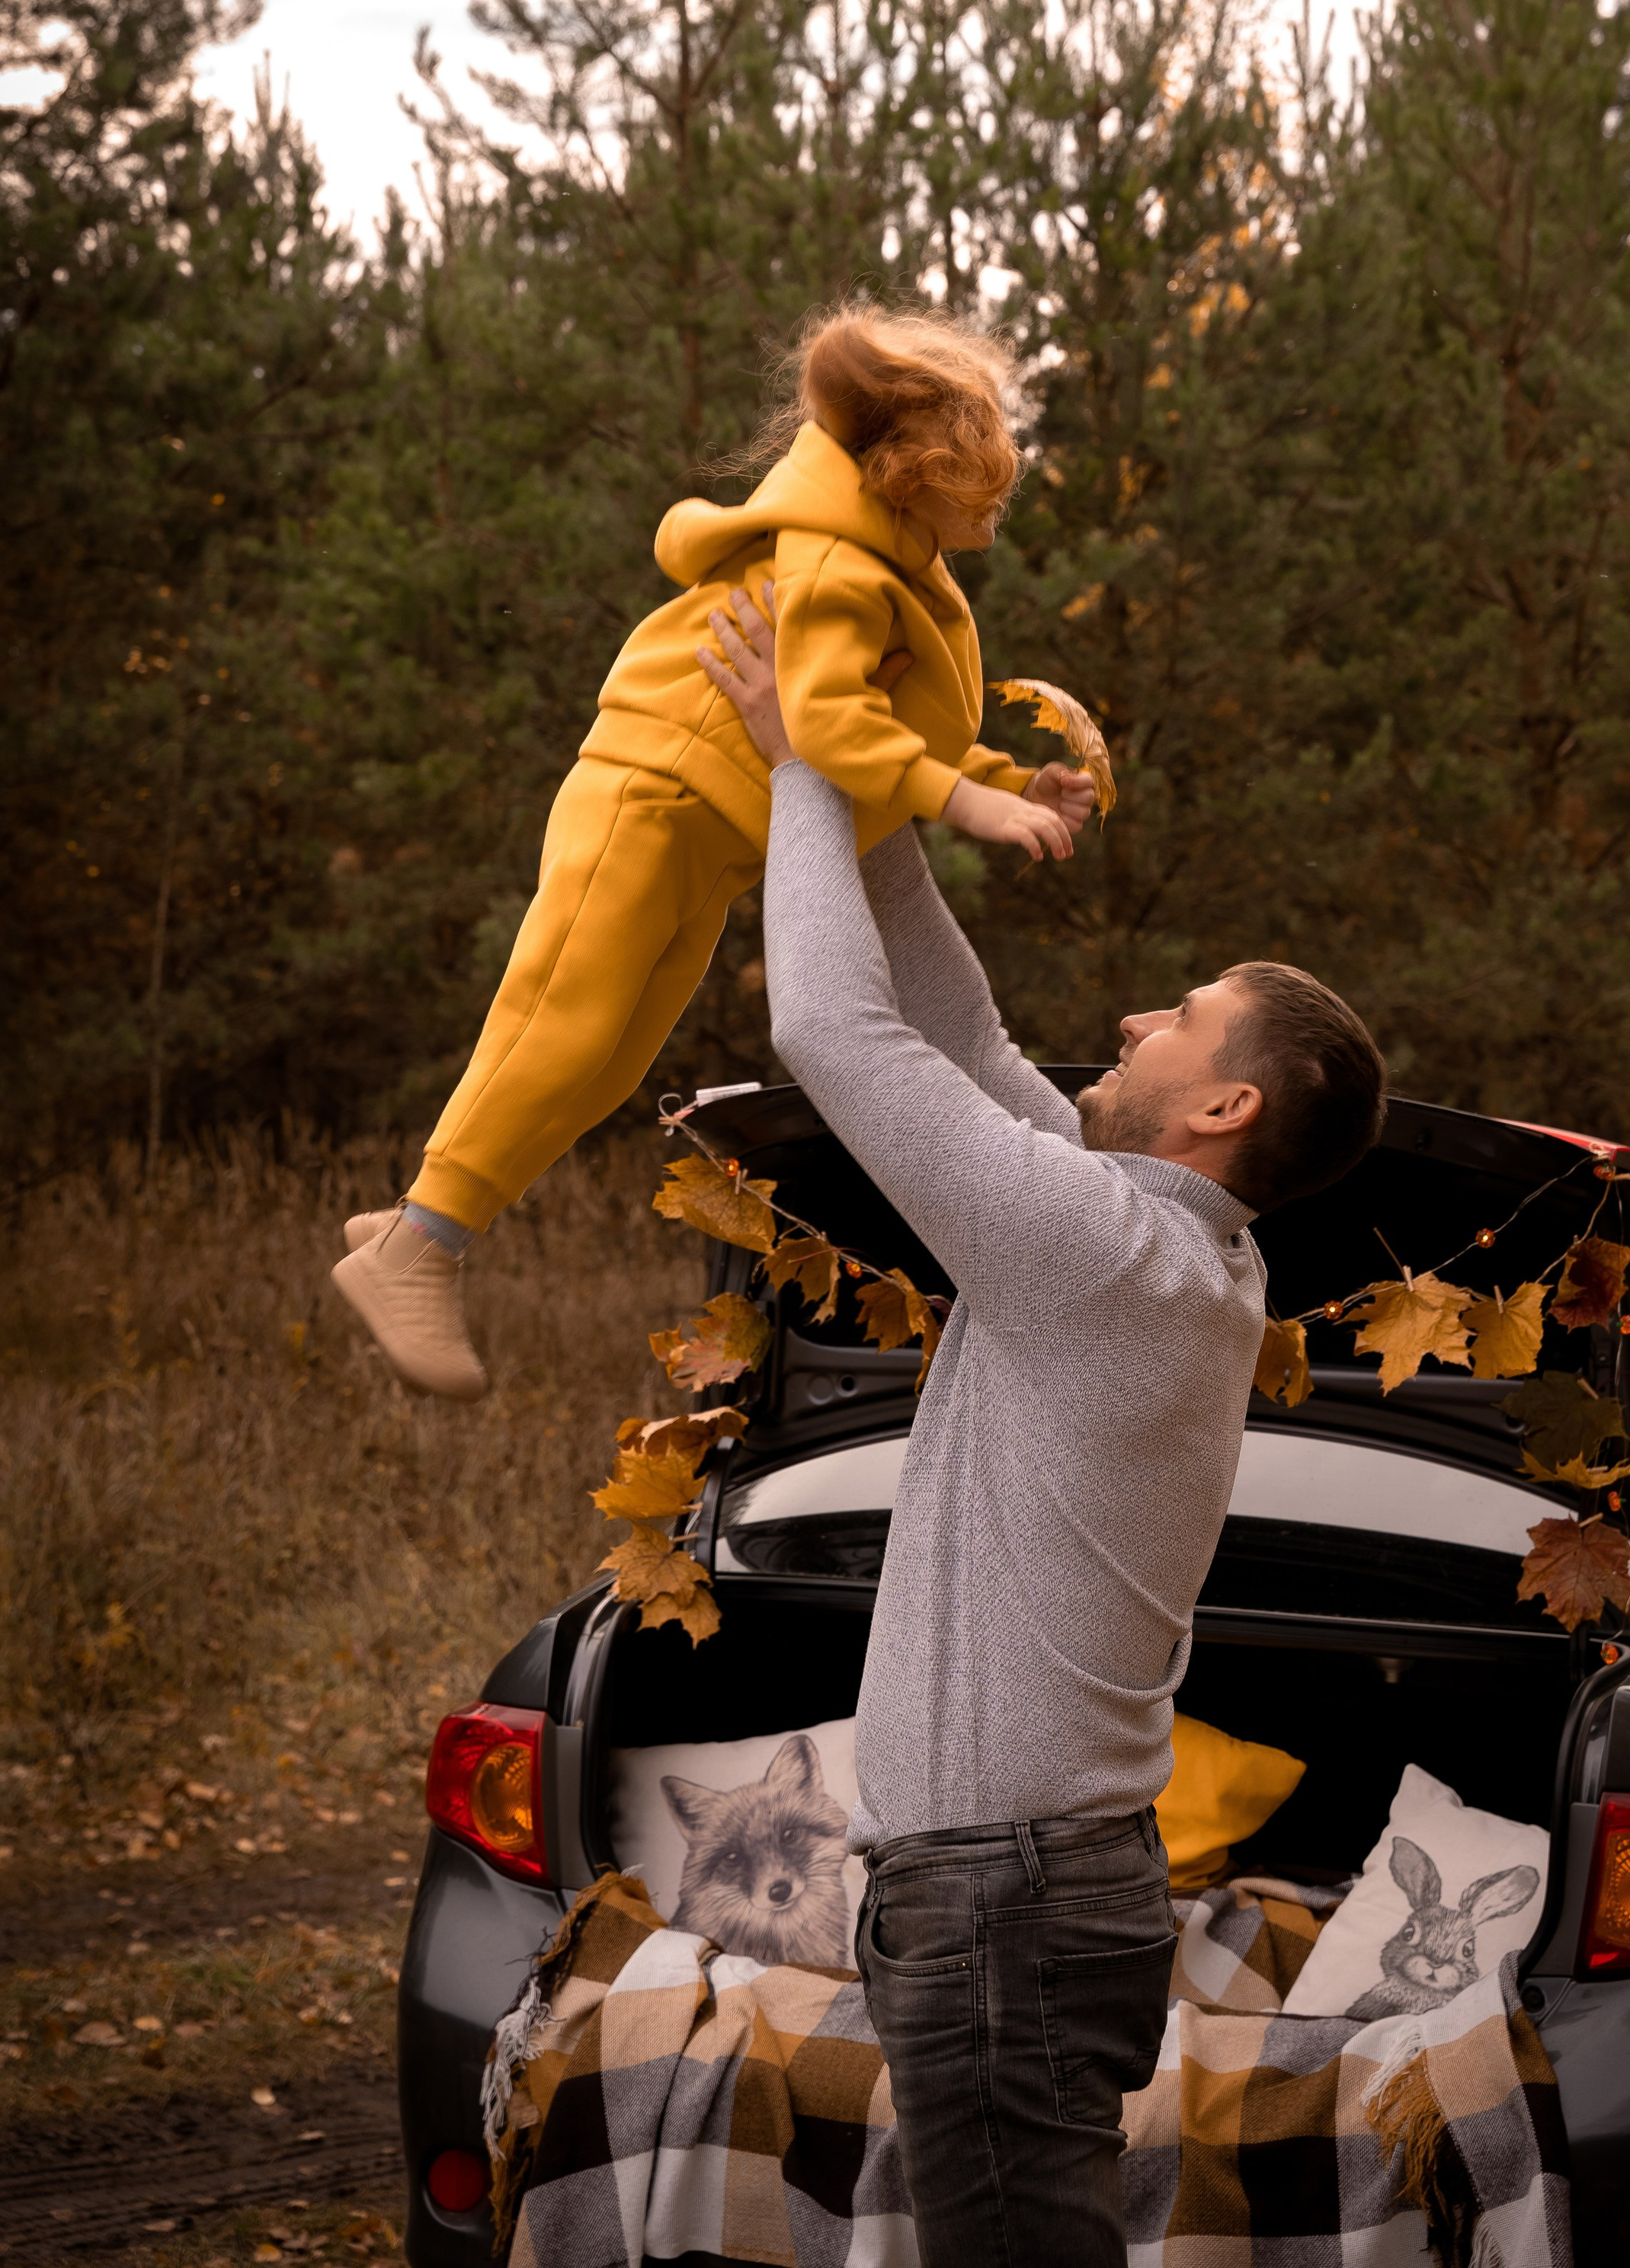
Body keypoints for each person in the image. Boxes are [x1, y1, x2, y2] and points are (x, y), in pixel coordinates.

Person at [698, 588, 1387, 2268]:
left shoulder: (1106, 1256)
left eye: (1177, 1018)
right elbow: (963, 1034)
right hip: (1021, 1885)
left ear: (1221, 1104)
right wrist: (870, 780)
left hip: (1003, 1898)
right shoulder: (1153, 1246)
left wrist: (798, 769)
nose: (1135, 1023)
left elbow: (834, 1031)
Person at [330, 305, 1095, 1401]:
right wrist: (964, 803)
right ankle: (422, 1245)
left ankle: (422, 1219)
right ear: (906, 475)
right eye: (979, 483)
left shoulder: (898, 555)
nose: (995, 503)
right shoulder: (837, 562)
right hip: (652, 793)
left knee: (615, 1054)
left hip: (714, 832)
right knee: (565, 1015)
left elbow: (890, 718)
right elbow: (827, 723)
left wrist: (1010, 780)